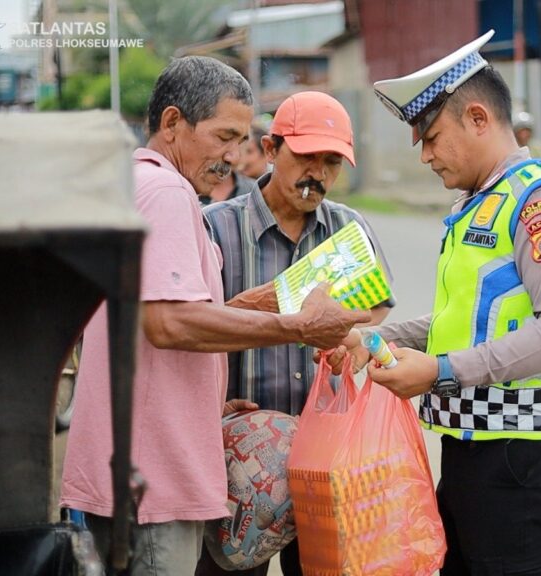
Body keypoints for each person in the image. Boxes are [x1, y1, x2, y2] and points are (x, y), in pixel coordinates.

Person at [60, 56, 370, 576]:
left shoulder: (135, 184)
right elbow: (170, 323)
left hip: (135, 466)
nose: (233, 156)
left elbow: (147, 325)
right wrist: (297, 327)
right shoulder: (168, 193)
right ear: (172, 123)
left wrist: (208, 395)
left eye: (240, 140)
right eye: (224, 136)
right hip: (154, 481)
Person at [329, 30, 541, 575]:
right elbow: (466, 320)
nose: (426, 156)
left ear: (478, 118)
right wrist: (374, 340)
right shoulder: (478, 202)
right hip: (474, 448)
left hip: (524, 456)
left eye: (431, 138)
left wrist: (439, 372)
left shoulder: (538, 202)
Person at [196, 91, 395, 576]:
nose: (318, 174)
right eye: (306, 157)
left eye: (331, 162)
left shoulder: (348, 229)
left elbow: (374, 311)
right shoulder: (214, 228)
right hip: (237, 466)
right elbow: (189, 328)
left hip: (325, 464)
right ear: (270, 149)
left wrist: (352, 343)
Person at [202, 125, 268, 205]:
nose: (234, 155)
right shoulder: (192, 186)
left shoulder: (256, 192)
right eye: (223, 139)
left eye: (241, 143)